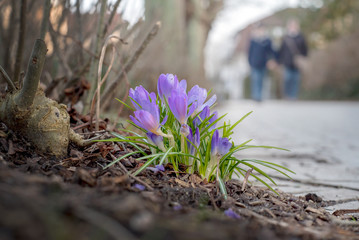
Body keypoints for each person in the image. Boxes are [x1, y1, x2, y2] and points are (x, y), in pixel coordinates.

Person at [277, 19, 308, 100]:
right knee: (287, 79)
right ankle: (287, 95)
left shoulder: (301, 37)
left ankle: (293, 96)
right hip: (287, 62)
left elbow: (305, 49)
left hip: (297, 63)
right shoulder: (285, 38)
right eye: (291, 26)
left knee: (295, 80)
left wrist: (303, 58)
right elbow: (281, 50)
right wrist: (279, 61)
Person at [248, 23, 275, 102]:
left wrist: (271, 61)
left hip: (264, 64)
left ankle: (259, 95)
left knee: (261, 80)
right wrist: (250, 62)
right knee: (256, 79)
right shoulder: (253, 41)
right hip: (255, 64)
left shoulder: (267, 41)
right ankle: (256, 96)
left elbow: (271, 52)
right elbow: (250, 52)